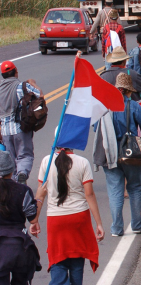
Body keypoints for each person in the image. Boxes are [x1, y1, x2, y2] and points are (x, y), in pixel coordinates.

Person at [34, 143, 104, 284]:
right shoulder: (82, 162)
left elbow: (40, 194)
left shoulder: (47, 162)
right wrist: (99, 223)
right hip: (79, 218)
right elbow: (89, 194)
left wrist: (35, 219)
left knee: (57, 260)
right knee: (77, 261)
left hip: (55, 220)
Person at [105, 73, 141, 237]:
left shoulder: (105, 107)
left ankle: (117, 228)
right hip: (130, 152)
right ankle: (137, 224)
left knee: (115, 190)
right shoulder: (133, 106)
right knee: (135, 187)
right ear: (127, 91)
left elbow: (97, 129)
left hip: (109, 152)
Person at [0, 150, 41, 284]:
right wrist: (39, 198)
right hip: (19, 246)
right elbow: (33, 219)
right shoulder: (23, 191)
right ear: (12, 170)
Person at [0, 61, 43, 185]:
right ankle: (22, 173)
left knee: (11, 159)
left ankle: (14, 185)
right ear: (16, 72)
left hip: (5, 131)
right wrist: (33, 83)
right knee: (24, 155)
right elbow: (40, 96)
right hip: (21, 128)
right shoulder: (22, 86)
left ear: (2, 75)